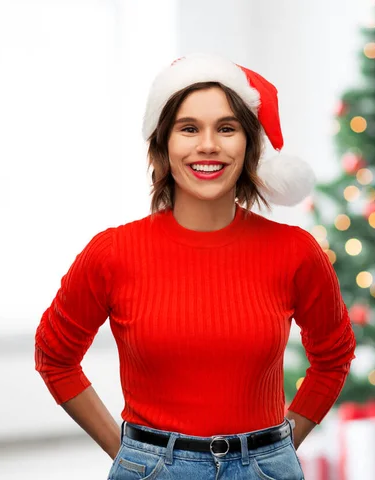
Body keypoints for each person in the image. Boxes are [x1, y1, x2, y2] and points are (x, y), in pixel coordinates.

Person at [35, 53, 356, 479]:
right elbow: (54, 355)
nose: (208, 145)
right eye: (189, 129)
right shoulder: (112, 252)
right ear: (163, 146)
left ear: (249, 145)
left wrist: (274, 451)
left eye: (227, 128)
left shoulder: (295, 250)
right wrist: (128, 454)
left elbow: (333, 356)